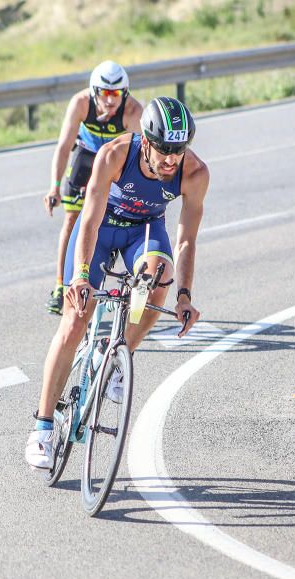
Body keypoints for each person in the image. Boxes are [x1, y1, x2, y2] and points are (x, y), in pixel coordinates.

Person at [25, 96, 209, 469]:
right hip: (102, 227)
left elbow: (186, 238)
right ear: (146, 140)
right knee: (76, 319)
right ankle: (42, 426)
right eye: (164, 150)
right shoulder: (114, 155)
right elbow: (88, 221)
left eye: (179, 150)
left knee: (159, 276)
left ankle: (117, 354)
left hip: (143, 230)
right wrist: (78, 277)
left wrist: (185, 296)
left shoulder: (194, 173)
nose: (171, 159)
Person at [42, 60, 144, 315]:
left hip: (115, 164)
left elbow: (137, 155)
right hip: (86, 159)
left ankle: (127, 289)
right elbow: (64, 146)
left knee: (122, 221)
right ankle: (60, 286)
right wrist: (54, 186)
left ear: (125, 93)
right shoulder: (80, 103)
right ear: (94, 92)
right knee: (71, 220)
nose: (111, 101)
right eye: (105, 94)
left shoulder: (132, 111)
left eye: (117, 94)